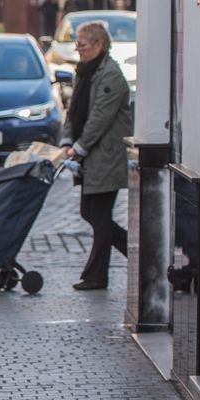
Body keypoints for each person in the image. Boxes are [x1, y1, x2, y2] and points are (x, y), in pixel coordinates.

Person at [61, 21, 132, 290]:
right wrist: (68, 139)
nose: (78, 49)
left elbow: (99, 119)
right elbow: (75, 110)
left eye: (82, 44)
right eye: (76, 44)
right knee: (90, 212)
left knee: (98, 214)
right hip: (92, 156)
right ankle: (136, 254)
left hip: (106, 156)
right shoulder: (85, 71)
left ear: (99, 45)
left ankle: (96, 275)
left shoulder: (110, 75)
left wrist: (79, 148)